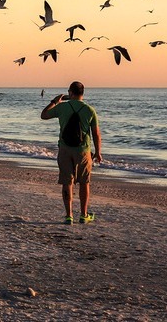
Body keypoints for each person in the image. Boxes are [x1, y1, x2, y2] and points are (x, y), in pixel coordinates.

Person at [41, 81, 101, 225]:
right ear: (82, 93)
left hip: (65, 149)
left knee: (67, 182)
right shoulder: (90, 110)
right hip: (83, 150)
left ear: (70, 93)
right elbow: (96, 134)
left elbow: (44, 115)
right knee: (84, 183)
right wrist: (98, 152)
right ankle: (83, 215)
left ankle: (69, 216)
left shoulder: (62, 107)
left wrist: (54, 101)